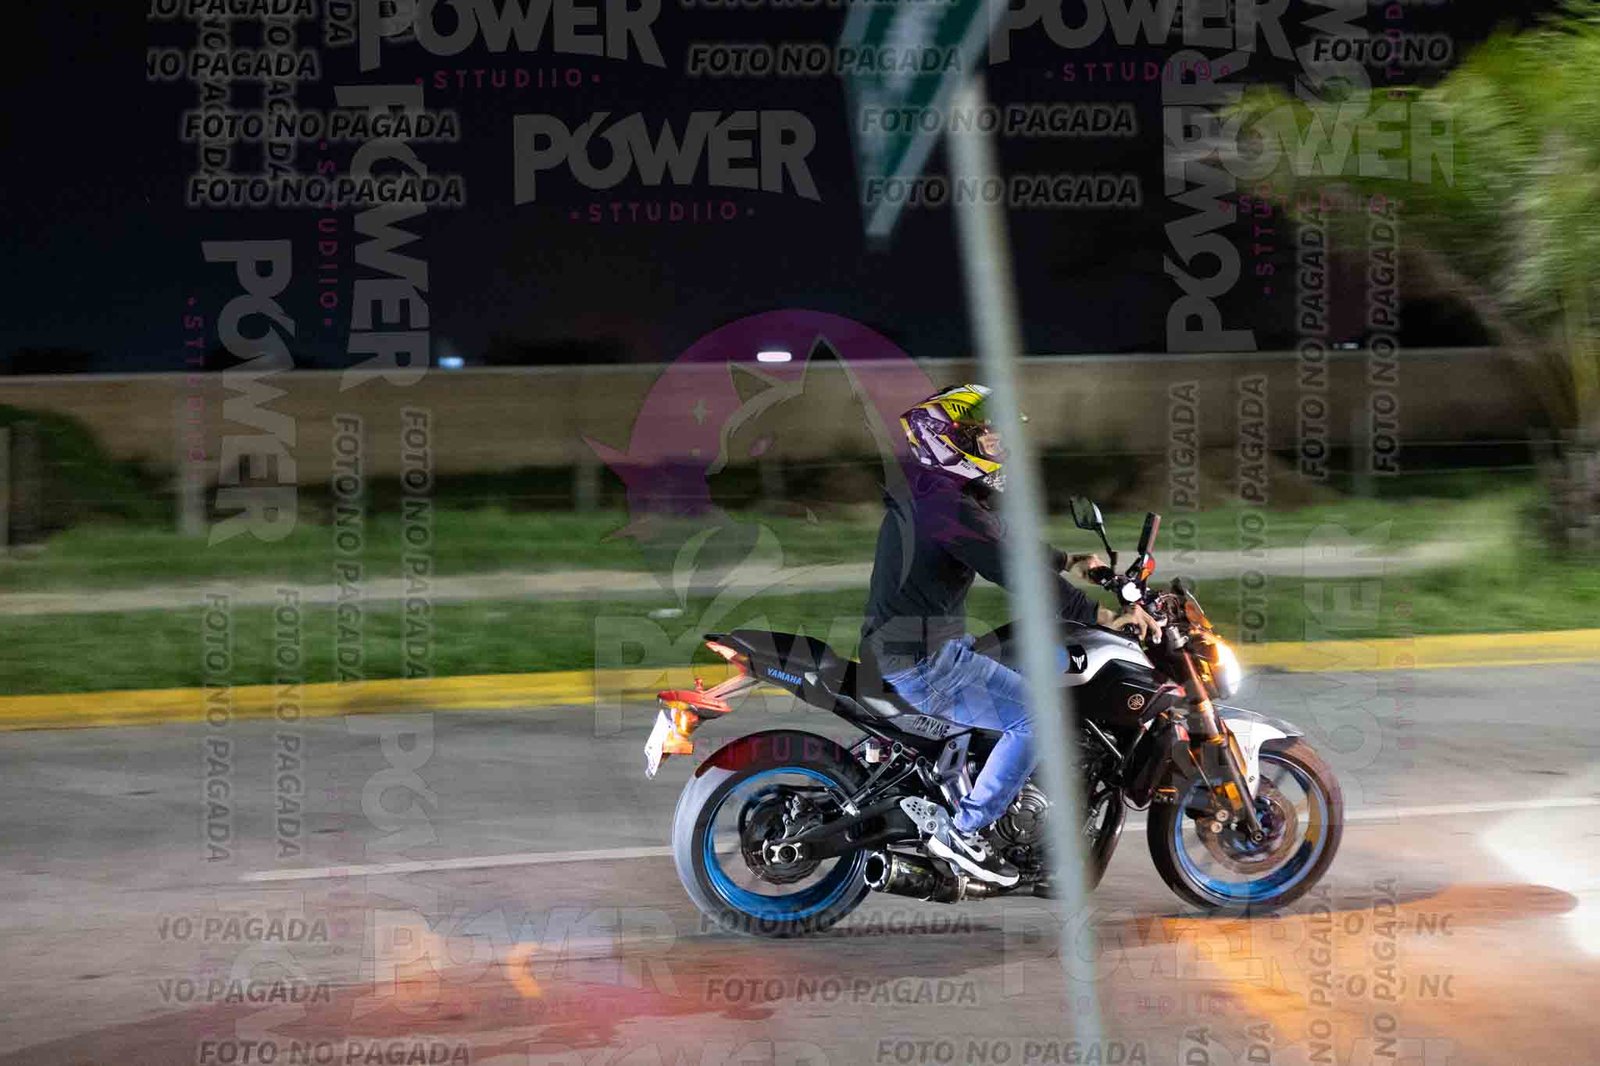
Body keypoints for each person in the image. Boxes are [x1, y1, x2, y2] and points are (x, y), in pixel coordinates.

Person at [859, 384, 1161, 887]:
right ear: (949, 440)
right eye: (988, 437)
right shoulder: (945, 506)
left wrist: (1066, 560)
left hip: (920, 647)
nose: (1000, 447)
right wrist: (1101, 616)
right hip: (922, 661)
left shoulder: (941, 496)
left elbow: (1000, 539)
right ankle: (963, 832)